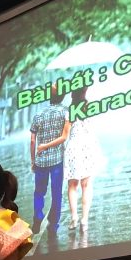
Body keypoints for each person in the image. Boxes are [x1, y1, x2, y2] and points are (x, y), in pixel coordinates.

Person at [36, 86, 101, 231]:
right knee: (86, 185)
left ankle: (74, 218)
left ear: (72, 94)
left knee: (72, 185)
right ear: (85, 92)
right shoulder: (91, 107)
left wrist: (45, 145)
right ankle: (84, 221)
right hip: (89, 146)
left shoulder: (68, 111)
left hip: (73, 148)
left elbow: (64, 135)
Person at [29, 84, 67, 235]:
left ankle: (38, 215)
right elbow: (66, 136)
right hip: (57, 160)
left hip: (41, 162)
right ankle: (53, 224)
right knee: (57, 193)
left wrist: (33, 161)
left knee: (39, 192)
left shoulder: (38, 114)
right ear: (62, 97)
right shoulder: (65, 112)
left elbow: (32, 141)